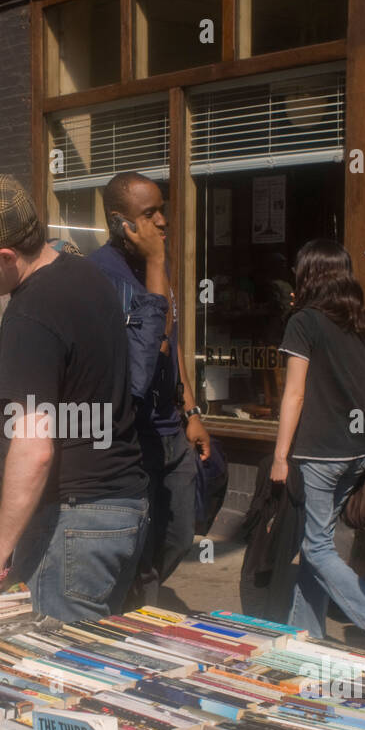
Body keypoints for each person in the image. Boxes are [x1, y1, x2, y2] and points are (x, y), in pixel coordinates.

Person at [0, 176, 148, 621]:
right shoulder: (85, 273)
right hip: (118, 505)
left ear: (5, 257)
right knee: (91, 665)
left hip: (76, 519)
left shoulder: (31, 314)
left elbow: (33, 449)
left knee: (57, 674)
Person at [88, 171, 210, 608]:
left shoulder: (158, 265)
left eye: (163, 210)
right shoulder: (102, 275)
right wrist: (157, 265)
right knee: (138, 544)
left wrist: (191, 410)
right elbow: (143, 352)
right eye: (150, 213)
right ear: (123, 223)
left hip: (171, 428)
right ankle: (137, 614)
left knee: (179, 534)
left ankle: (143, 594)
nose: (162, 222)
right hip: (134, 434)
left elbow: (172, 348)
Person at [269, 240, 365, 640]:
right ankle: (306, 636)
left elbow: (294, 393)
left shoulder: (303, 322)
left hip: (320, 452)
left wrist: (280, 455)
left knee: (316, 548)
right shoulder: (358, 320)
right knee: (316, 546)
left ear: (308, 274)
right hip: (359, 450)